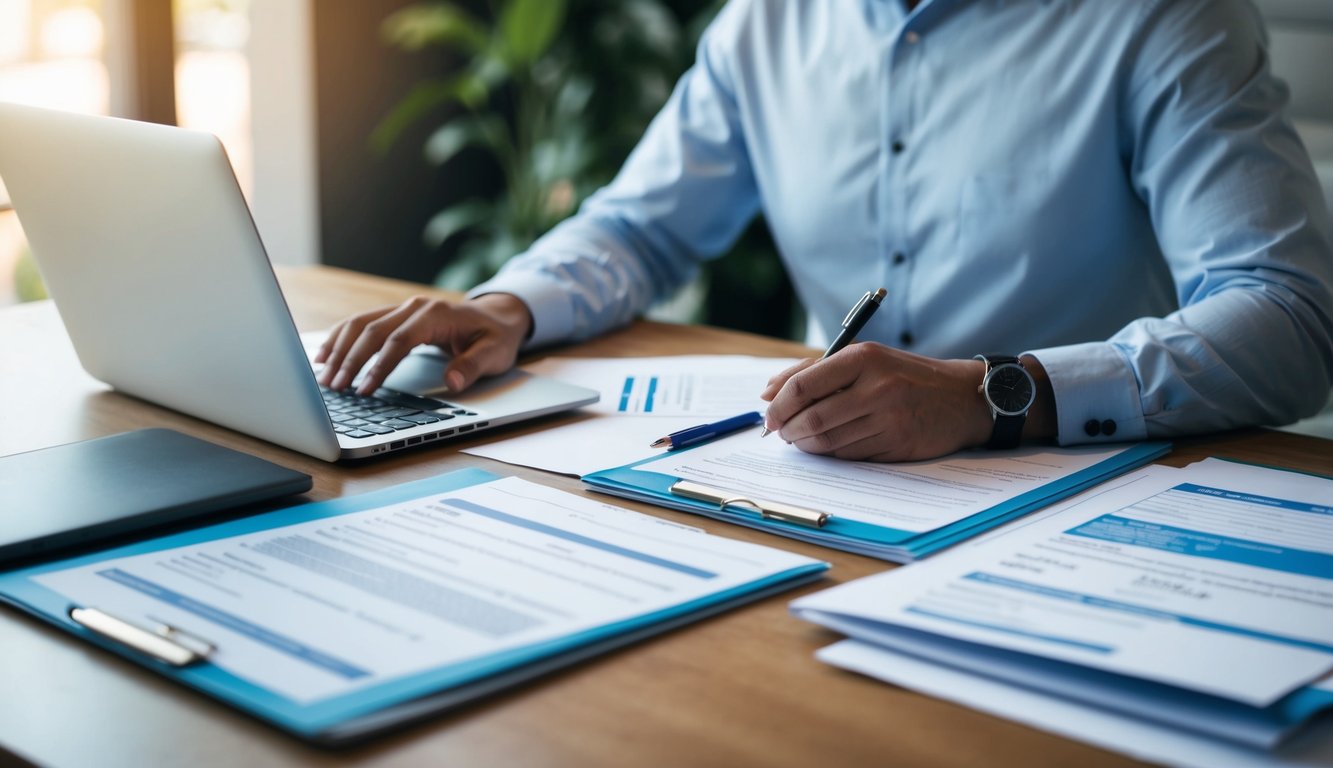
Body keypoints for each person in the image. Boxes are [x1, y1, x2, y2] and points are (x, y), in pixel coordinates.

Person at [317, 0, 1333, 463]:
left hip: (1085, 490)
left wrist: (988, 395)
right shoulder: (763, 24)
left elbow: (1289, 323)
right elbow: (640, 227)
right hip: (833, 485)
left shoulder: (1166, 20)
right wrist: (506, 307)